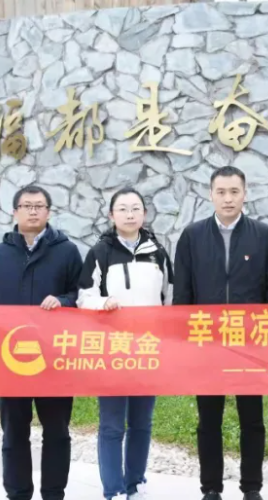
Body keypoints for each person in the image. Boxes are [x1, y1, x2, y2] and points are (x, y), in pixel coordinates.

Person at [0, 185, 83, 500]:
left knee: (57, 432)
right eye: (26, 205)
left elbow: (81, 294)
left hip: (54, 360)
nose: (33, 211)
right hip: (9, 360)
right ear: (15, 212)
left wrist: (63, 301)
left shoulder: (67, 252)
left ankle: (53, 494)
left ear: (48, 212)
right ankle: (18, 494)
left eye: (39, 206)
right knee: (14, 433)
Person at [172, 166, 268, 500]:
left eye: (234, 191)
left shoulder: (263, 235)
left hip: (249, 343)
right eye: (221, 192)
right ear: (211, 194)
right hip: (207, 342)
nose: (228, 198)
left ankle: (252, 487)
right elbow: (183, 291)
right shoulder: (192, 236)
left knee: (252, 420)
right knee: (209, 420)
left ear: (245, 194)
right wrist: (184, 340)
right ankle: (211, 488)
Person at [76, 187, 173, 500]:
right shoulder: (100, 253)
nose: (130, 214)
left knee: (142, 422)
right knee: (112, 424)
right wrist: (102, 302)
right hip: (112, 349)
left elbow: (170, 299)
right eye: (123, 209)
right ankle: (114, 490)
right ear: (111, 215)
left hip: (148, 348)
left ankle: (135, 483)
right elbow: (83, 297)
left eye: (135, 208)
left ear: (144, 213)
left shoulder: (158, 253)